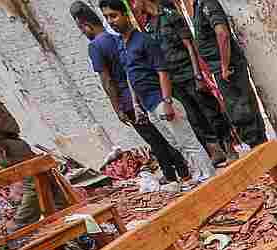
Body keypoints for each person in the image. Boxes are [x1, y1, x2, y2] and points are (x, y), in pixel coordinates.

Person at [70, 1, 191, 191]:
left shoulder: (95, 47)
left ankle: (171, 175)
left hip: (127, 99)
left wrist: (116, 107)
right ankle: (182, 170)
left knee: (154, 139)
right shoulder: (117, 38)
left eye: (81, 29)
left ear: (85, 26)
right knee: (164, 134)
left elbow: (107, 80)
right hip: (143, 93)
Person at [99, 0, 216, 183]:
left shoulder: (144, 41)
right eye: (106, 17)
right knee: (177, 144)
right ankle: (201, 176)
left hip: (161, 100)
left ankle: (210, 177)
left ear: (126, 15)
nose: (111, 21)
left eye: (113, 15)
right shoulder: (122, 45)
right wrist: (137, 105)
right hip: (149, 106)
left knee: (188, 142)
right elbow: (131, 75)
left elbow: (163, 72)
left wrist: (167, 101)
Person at [137, 0, 238, 165]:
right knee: (193, 116)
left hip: (188, 72)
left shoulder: (170, 16)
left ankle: (229, 145)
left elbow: (189, 45)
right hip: (173, 79)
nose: (134, 6)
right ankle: (215, 150)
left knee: (209, 110)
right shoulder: (148, 26)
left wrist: (198, 75)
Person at [191, 0, 267, 147]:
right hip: (222, 67)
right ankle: (264, 152)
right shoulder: (198, 5)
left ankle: (264, 154)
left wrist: (225, 66)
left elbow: (222, 34)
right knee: (243, 112)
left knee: (242, 114)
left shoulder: (207, 3)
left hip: (228, 68)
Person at [0, 94, 66, 232]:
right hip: (4, 143)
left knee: (38, 180)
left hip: (6, 143)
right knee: (38, 182)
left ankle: (22, 225)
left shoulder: (8, 144)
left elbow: (33, 186)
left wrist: (19, 223)